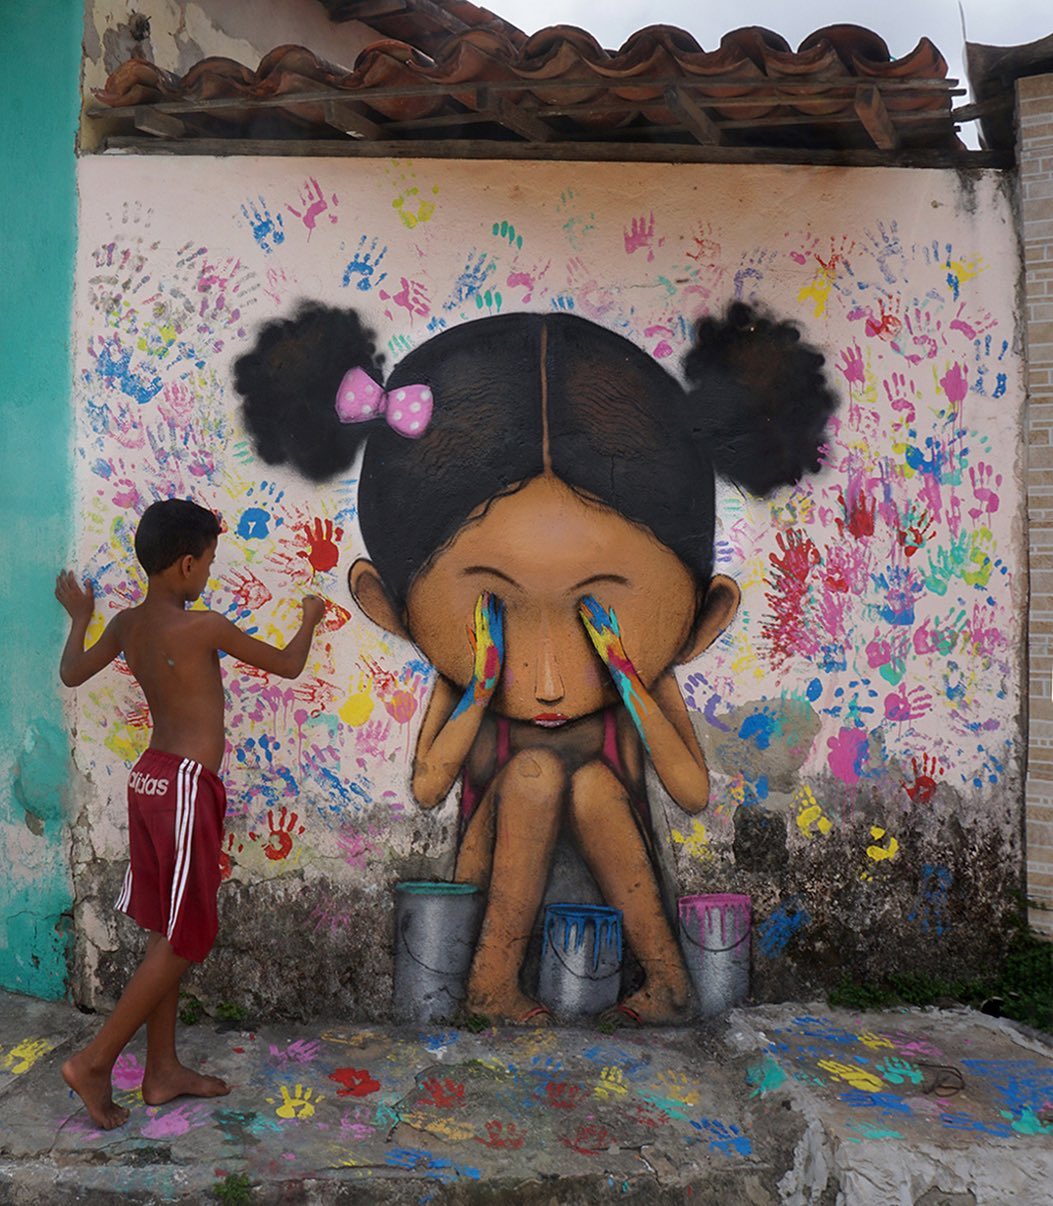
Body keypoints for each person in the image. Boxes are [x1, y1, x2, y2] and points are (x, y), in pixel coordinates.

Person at [234, 301, 837, 1025]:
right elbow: (427, 787)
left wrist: (627, 679)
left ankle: (668, 980)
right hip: (491, 862)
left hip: (611, 866)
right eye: (495, 608)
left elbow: (690, 791)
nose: (548, 683)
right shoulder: (465, 683)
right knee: (533, 774)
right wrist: (482, 685)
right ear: (387, 605)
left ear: (702, 619)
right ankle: (490, 980)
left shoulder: (643, 685)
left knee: (593, 786)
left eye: (592, 614)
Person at [55, 498, 325, 1129]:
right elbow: (289, 665)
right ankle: (95, 1062)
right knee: (186, 935)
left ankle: (162, 1071)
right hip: (183, 787)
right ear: (184, 564)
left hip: (149, 780)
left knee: (167, 930)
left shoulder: (126, 625)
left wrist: (81, 618)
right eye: (207, 561)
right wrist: (310, 618)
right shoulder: (204, 627)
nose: (207, 572)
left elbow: (71, 672)